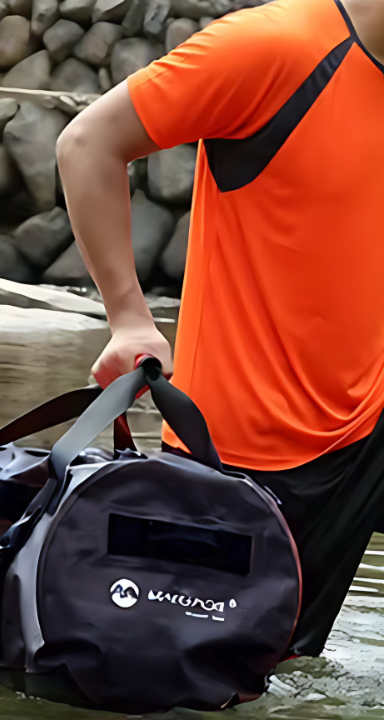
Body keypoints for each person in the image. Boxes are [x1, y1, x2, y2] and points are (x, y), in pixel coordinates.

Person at [56, 0, 384, 658]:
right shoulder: (275, 48)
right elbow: (88, 143)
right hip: (244, 451)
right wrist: (128, 318)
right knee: (207, 684)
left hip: (369, 428)